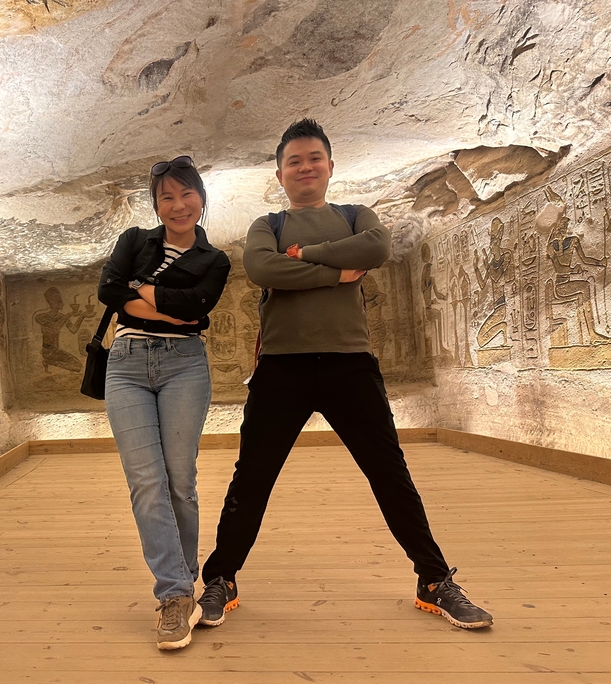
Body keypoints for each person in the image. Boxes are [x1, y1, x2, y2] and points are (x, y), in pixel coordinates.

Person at [197, 119, 493, 631]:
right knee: (253, 478)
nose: (305, 167)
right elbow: (263, 270)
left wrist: (305, 258)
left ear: (330, 167)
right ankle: (221, 579)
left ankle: (433, 579)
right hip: (281, 368)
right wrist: (336, 272)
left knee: (389, 473)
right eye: (294, 161)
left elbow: (376, 250)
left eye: (314, 158)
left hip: (349, 364)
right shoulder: (267, 225)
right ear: (280, 173)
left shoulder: (357, 215)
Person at [98, 156, 231, 650]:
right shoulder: (135, 240)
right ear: (156, 204)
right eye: (166, 197)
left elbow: (200, 307)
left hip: (184, 366)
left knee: (180, 482)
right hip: (128, 364)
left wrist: (144, 291)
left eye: (186, 194)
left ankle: (184, 578)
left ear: (200, 197)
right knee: (146, 482)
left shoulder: (215, 260)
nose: (178, 205)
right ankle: (176, 594)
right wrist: (170, 310)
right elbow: (107, 290)